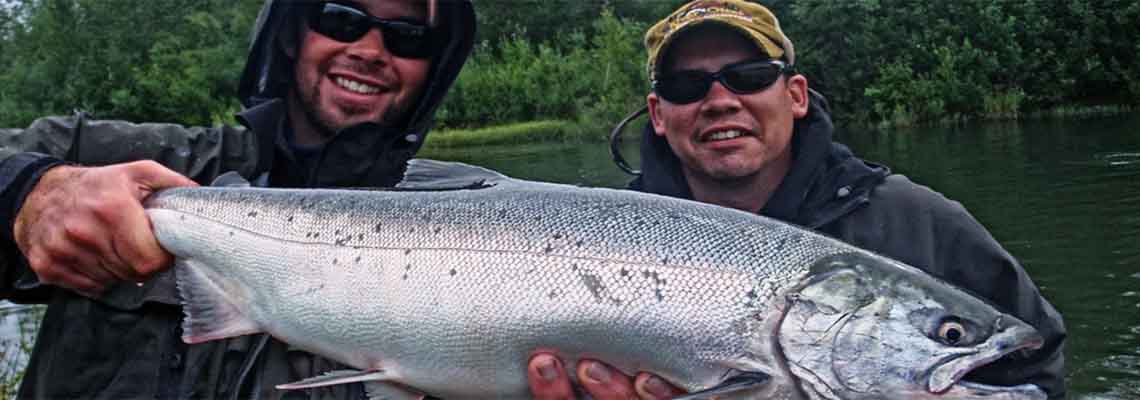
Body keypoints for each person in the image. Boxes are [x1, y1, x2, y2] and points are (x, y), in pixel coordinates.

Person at [529, 0, 1067, 399]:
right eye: (687, 86)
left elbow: (1033, 370)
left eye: (749, 76)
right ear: (658, 114)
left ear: (795, 95)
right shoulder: (593, 235)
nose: (720, 101)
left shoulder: (920, 223)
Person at [0, 0, 480, 398]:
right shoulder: (128, 161)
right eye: (341, 18)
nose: (371, 50)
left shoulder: (468, 220)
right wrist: (28, 191)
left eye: (408, 37)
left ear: (434, 69)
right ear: (291, 33)